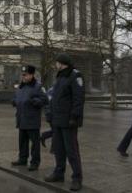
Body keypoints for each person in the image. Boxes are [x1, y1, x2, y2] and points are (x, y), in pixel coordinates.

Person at [44, 54, 85, 192]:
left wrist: (75, 117)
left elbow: (78, 99)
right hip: (57, 120)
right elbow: (54, 97)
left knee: (71, 151)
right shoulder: (60, 76)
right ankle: (59, 173)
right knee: (59, 150)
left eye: (56, 62)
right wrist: (50, 115)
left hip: (68, 121)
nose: (55, 65)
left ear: (61, 63)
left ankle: (77, 178)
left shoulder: (75, 75)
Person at [11, 65, 48, 171]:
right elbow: (16, 97)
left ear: (32, 75)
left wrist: (35, 101)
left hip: (32, 119)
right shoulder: (21, 87)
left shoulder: (38, 86)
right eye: (23, 75)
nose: (24, 77)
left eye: (26, 75)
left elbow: (45, 100)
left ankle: (35, 162)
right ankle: (22, 159)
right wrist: (14, 101)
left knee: (35, 143)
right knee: (22, 141)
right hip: (21, 118)